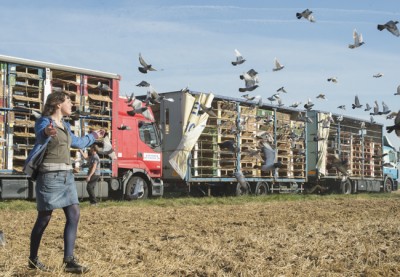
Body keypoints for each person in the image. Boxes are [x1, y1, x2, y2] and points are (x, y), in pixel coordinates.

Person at [27, 91, 104, 274]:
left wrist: (93, 136)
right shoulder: (45, 121)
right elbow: (40, 134)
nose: (72, 104)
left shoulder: (66, 126)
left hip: (66, 176)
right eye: (69, 101)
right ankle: (33, 259)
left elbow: (77, 142)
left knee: (74, 214)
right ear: (58, 104)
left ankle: (69, 260)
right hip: (49, 177)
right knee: (44, 218)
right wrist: (47, 132)